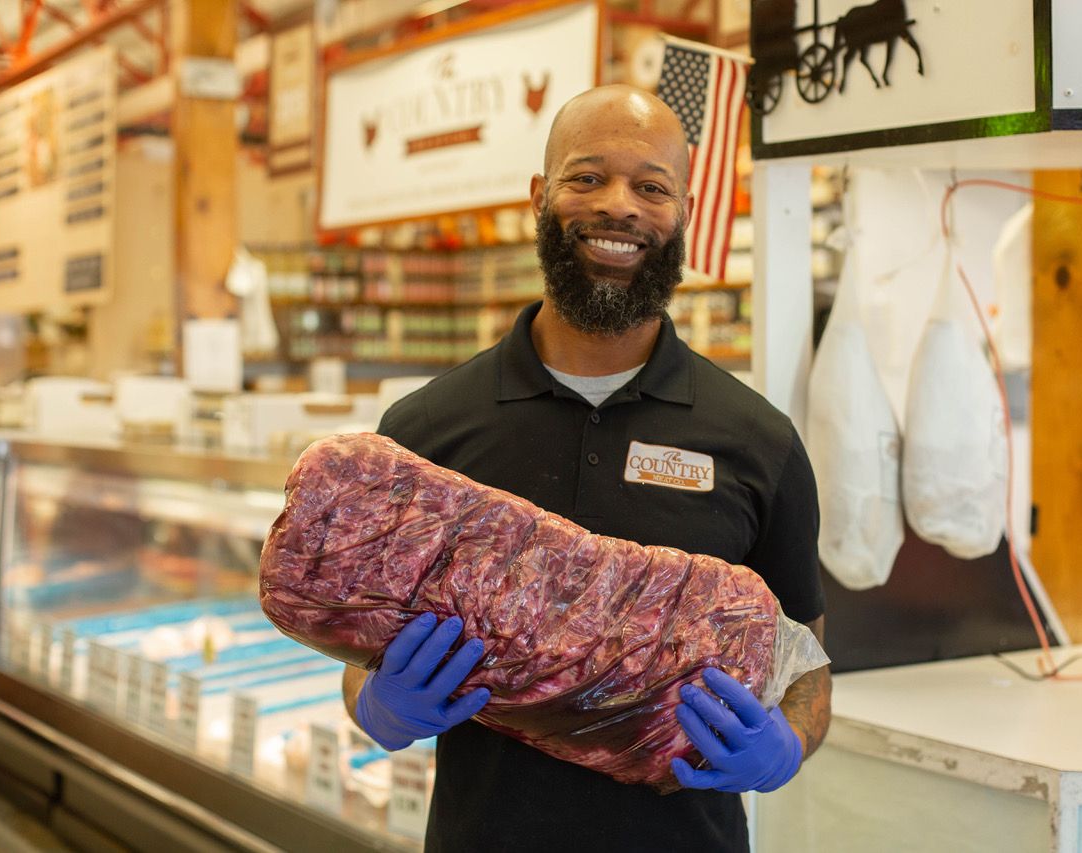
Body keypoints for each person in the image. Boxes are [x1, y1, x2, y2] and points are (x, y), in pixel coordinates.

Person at [341, 84, 830, 852]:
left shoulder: (757, 441)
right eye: (586, 177)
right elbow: (364, 655)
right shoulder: (426, 431)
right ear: (539, 197)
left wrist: (788, 743)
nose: (619, 206)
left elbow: (808, 668)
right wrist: (378, 704)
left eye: (651, 186)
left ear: (683, 216)